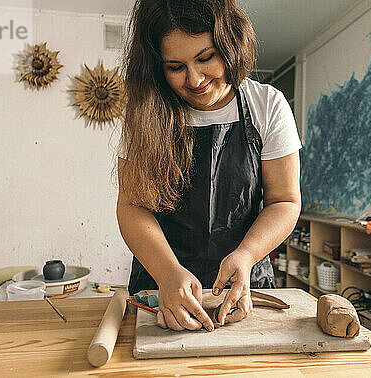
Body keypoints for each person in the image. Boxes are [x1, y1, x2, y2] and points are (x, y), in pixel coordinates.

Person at [117, 0, 301, 332]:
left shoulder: (268, 106)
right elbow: (132, 206)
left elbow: (284, 201)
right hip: (161, 284)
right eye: (175, 67)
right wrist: (168, 272)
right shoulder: (146, 112)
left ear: (230, 43)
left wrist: (246, 255)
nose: (195, 79)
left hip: (245, 283)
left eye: (205, 58)